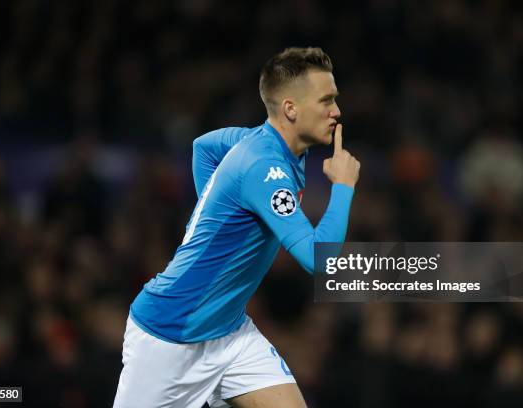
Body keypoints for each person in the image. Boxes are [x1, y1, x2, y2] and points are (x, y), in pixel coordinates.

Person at [113, 47, 360, 408]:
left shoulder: (256, 141)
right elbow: (319, 260)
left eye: (335, 99)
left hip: (228, 333)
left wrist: (211, 221)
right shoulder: (263, 166)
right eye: (326, 100)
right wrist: (343, 186)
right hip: (170, 337)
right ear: (290, 109)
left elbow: (203, 147)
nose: (336, 111)